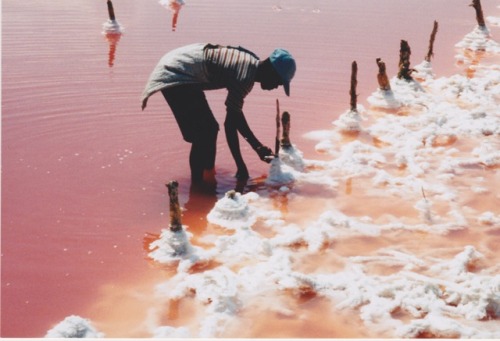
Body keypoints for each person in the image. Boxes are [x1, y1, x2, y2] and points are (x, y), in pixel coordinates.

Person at [141, 43, 296, 183]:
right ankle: (198, 187)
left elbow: (235, 117)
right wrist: (241, 166)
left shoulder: (250, 64)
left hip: (183, 64)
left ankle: (208, 174)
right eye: (278, 82)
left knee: (209, 129)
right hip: (176, 71)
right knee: (204, 133)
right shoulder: (244, 76)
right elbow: (230, 125)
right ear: (270, 70)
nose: (276, 87)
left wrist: (258, 147)